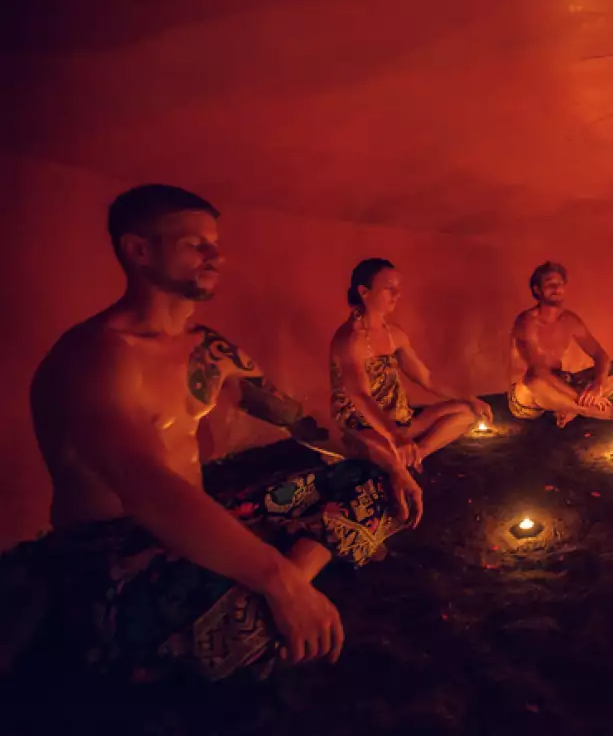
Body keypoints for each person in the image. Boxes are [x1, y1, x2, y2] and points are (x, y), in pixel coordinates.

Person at [11, 184, 409, 682]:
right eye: (195, 244)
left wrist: (382, 454)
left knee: (370, 481)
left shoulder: (209, 349)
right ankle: (282, 589)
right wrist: (276, 576)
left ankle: (288, 586)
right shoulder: (96, 358)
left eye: (215, 243)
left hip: (204, 519)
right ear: (138, 250)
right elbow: (148, 490)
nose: (216, 255)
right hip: (111, 554)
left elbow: (300, 422)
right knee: (242, 617)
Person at [329, 258, 489, 485]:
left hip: (400, 421)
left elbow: (427, 378)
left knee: (467, 412)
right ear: (364, 292)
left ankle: (418, 455)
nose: (397, 295)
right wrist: (394, 436)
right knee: (387, 452)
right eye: (389, 289)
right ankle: (399, 459)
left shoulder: (395, 334)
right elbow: (360, 396)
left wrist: (471, 398)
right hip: (363, 427)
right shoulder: (348, 340)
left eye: (398, 289)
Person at [507, 262, 613, 427]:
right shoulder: (527, 322)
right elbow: (539, 371)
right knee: (534, 380)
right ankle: (588, 410)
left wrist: (597, 385)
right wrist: (580, 395)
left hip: (561, 382)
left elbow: (600, 355)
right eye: (550, 284)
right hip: (528, 394)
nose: (556, 288)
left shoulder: (570, 320)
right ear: (537, 290)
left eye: (560, 284)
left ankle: (570, 407)